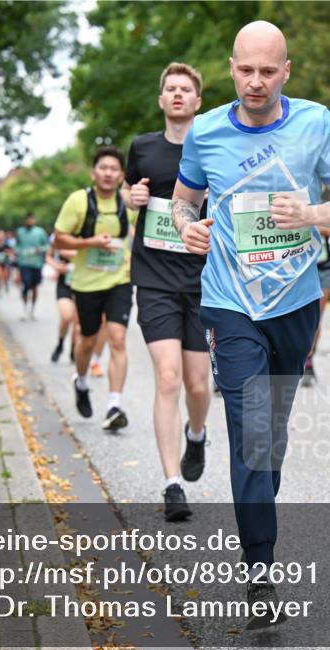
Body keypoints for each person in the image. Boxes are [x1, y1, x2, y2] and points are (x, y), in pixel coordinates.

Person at [172, 20, 330, 625]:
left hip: (295, 301)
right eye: (245, 70)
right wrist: (187, 228)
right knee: (251, 430)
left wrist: (310, 213)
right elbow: (183, 201)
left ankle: (260, 511)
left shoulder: (316, 122)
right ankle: (260, 576)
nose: (255, 82)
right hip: (229, 302)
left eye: (266, 71)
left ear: (286, 71)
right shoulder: (205, 131)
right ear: (230, 69)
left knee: (271, 435)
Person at [122, 62, 212, 522]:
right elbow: (127, 193)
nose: (178, 94)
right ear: (161, 100)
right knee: (169, 377)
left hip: (202, 280)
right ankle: (172, 483)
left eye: (185, 89)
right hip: (154, 276)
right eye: (171, 89)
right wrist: (132, 199)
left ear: (198, 101)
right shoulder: (142, 148)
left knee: (198, 383)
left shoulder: (212, 146)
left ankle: (197, 433)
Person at [53, 147, 138, 432]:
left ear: (121, 176)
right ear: (93, 173)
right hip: (86, 284)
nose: (108, 173)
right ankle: (81, 382)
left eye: (114, 169)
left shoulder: (127, 204)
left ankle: (114, 405)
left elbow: (144, 230)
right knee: (87, 341)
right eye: (103, 168)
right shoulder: (79, 201)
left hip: (119, 280)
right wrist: (90, 243)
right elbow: (59, 240)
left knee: (117, 339)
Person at [302, 223, 330, 386]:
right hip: (301, 269)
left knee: (316, 317)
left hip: (324, 270)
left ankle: (309, 361)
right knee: (300, 317)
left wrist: (327, 231)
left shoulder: (328, 211)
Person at [45, 232, 79, 363]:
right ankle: (60, 344)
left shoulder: (89, 231)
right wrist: (56, 266)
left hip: (83, 283)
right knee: (66, 316)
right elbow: (48, 256)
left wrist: (66, 252)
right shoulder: (60, 233)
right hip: (65, 282)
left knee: (78, 323)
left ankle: (74, 349)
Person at [15, 212, 49, 320]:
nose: (30, 221)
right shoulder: (20, 232)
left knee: (34, 287)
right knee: (26, 284)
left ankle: (32, 310)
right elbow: (17, 246)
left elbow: (47, 246)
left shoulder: (40, 232)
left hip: (36, 264)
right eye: (28, 219)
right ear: (25, 220)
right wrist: (18, 252)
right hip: (24, 263)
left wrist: (41, 249)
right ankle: (24, 309)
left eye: (32, 219)